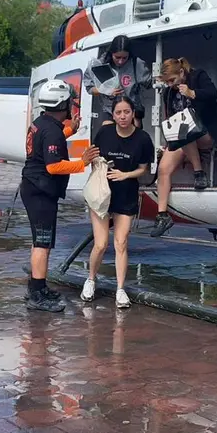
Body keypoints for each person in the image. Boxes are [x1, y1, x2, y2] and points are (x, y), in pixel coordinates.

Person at [21, 79, 100, 313]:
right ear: (61, 104)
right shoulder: (51, 131)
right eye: (68, 103)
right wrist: (82, 163)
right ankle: (36, 294)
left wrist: (70, 131)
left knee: (39, 242)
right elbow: (54, 166)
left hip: (32, 187)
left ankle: (37, 286)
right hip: (41, 191)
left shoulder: (42, 123)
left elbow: (48, 142)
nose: (70, 106)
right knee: (42, 244)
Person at [81, 96, 155, 308]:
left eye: (127, 112)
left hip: (126, 194)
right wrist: (96, 163)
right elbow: (91, 158)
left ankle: (120, 289)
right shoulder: (104, 132)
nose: (123, 117)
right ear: (113, 115)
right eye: (118, 113)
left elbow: (144, 169)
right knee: (101, 243)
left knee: (121, 243)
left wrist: (126, 175)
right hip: (102, 195)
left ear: (133, 114)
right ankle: (91, 279)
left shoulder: (143, 139)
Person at [150, 57, 217, 238]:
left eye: (172, 80)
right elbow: (169, 117)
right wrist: (168, 143)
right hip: (183, 136)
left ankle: (199, 172)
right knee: (164, 169)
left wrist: (192, 93)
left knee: (186, 132)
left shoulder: (198, 76)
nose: (170, 85)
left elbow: (213, 93)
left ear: (181, 73)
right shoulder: (168, 92)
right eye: (167, 82)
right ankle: (162, 216)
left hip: (207, 132)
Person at [83, 34, 152, 128]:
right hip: (109, 111)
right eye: (117, 57)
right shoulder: (99, 65)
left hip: (131, 112)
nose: (120, 61)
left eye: (124, 58)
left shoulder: (137, 63)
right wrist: (104, 90)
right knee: (108, 135)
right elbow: (89, 88)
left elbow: (150, 83)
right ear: (111, 53)